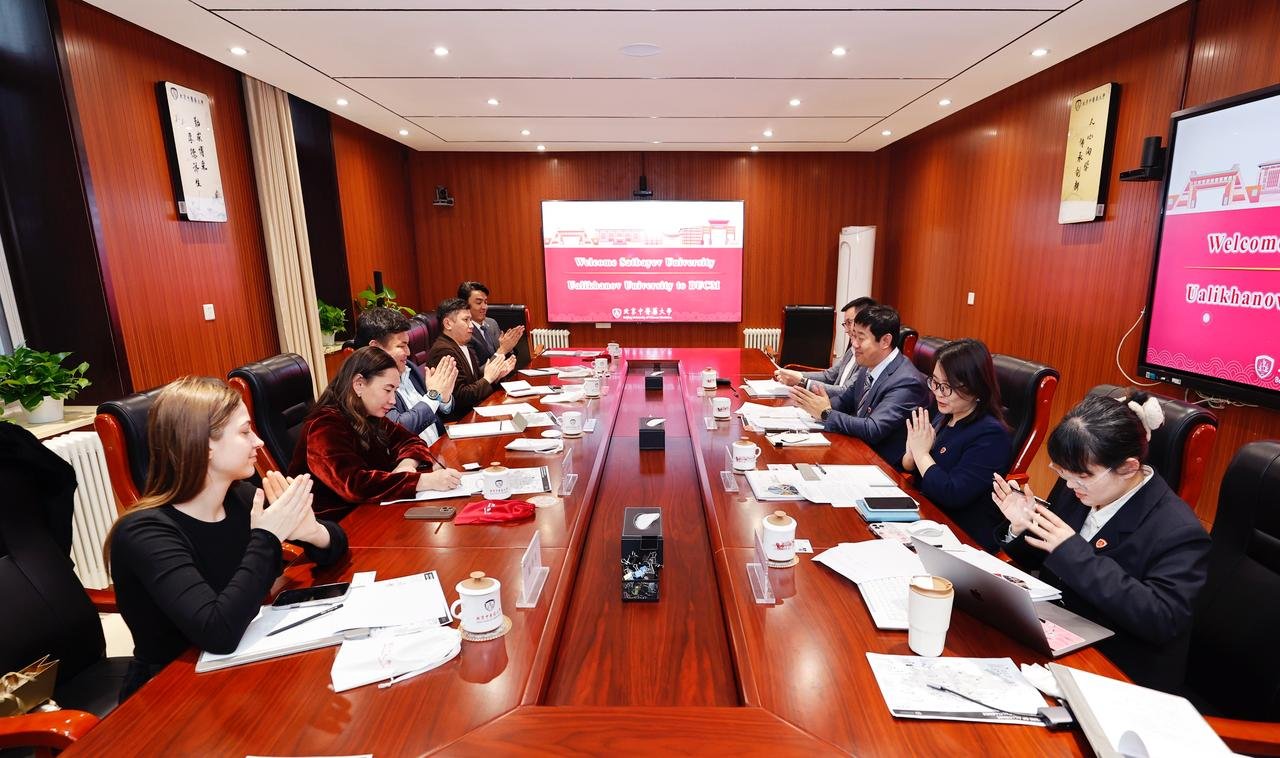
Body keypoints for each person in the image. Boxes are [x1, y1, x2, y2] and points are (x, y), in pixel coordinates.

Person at [105, 376, 349, 701]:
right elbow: (218, 632)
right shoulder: (144, 533)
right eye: (245, 432)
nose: (259, 442)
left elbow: (338, 546)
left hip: (241, 671)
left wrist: (312, 532)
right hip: (172, 693)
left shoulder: (241, 497)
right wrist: (268, 536)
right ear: (205, 444)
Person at [992, 391, 1210, 692]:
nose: (1070, 484)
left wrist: (1073, 553)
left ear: (1129, 467)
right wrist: (1021, 527)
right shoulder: (1080, 485)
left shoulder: (1178, 531)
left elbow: (1161, 618)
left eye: (1081, 477)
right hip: (1056, 636)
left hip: (1115, 668)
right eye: (1062, 472)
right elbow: (1050, 559)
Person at [290, 347, 463, 519]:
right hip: (337, 523)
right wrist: (423, 481)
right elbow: (354, 485)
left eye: (395, 391)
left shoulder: (368, 414)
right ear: (359, 384)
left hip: (373, 510)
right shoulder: (324, 425)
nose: (393, 400)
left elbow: (411, 441)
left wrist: (406, 465)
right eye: (387, 390)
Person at [902, 338, 1012, 551]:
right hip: (926, 516)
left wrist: (921, 454)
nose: (938, 392)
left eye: (948, 387)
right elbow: (916, 469)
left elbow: (952, 493)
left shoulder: (991, 435)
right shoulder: (945, 413)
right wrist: (911, 455)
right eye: (935, 382)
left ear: (976, 387)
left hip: (961, 536)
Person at [790, 304, 929, 466]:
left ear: (885, 341)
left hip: (882, 464)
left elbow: (873, 429)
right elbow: (844, 402)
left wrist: (826, 413)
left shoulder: (906, 381)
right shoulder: (869, 364)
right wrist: (813, 405)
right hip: (857, 448)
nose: (854, 344)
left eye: (861, 338)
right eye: (853, 336)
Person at [354, 306, 458, 445]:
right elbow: (398, 428)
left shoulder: (409, 367)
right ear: (376, 348)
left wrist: (444, 399)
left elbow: (436, 412)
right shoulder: (368, 384)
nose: (408, 352)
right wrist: (434, 395)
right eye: (401, 346)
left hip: (440, 446)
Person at [427, 297, 516, 420]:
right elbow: (460, 397)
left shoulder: (462, 345)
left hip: (476, 412)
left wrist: (496, 376)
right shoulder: (443, 352)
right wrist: (488, 378)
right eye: (466, 320)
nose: (471, 325)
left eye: (471, 320)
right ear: (448, 324)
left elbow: (474, 381)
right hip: (461, 419)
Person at [773, 296, 877, 395]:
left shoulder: (868, 355)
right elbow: (829, 376)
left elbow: (845, 392)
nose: (846, 330)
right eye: (845, 324)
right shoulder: (852, 349)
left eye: (849, 322)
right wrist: (797, 375)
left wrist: (802, 381)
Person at [459, 280, 524, 365]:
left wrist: (509, 347)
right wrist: (503, 350)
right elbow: (477, 371)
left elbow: (505, 358)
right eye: (479, 302)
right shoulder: (464, 332)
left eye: (485, 302)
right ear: (464, 305)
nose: (484, 307)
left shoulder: (492, 323)